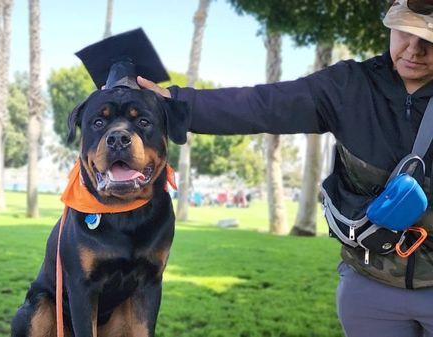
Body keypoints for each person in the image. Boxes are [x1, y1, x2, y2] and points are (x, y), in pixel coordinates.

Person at [138, 1, 433, 336]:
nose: (413, 50)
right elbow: (262, 105)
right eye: (404, 33)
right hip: (370, 290)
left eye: (429, 40)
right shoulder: (349, 86)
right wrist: (176, 104)